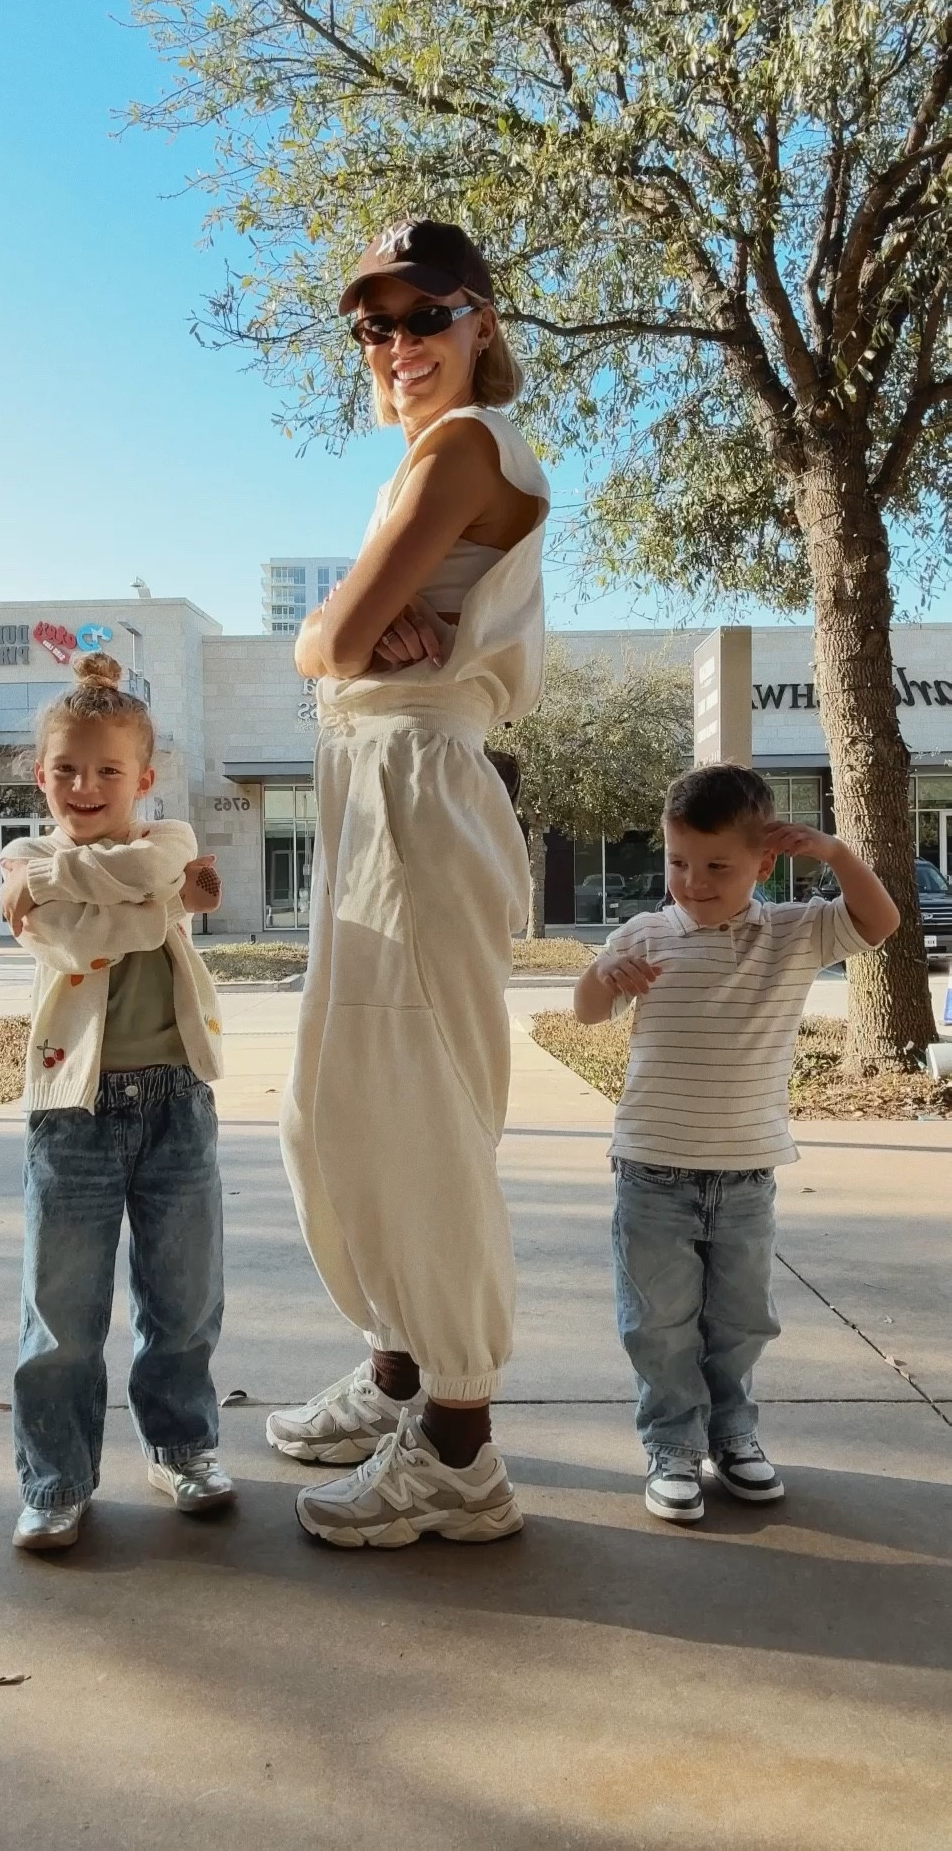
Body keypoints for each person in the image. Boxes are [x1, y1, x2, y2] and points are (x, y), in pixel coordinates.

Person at [266, 218, 550, 1548]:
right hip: (378, 789)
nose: (394, 345)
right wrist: (342, 637)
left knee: (415, 1113)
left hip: (416, 791)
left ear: (479, 321)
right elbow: (332, 645)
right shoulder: (424, 463)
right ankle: (400, 1375)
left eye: (421, 315)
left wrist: (340, 631)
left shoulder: (468, 447)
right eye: (371, 326)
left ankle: (457, 1449)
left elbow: (321, 641)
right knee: (343, 1109)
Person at [573, 763, 899, 1524]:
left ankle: (736, 1435)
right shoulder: (648, 933)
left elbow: (879, 923)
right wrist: (603, 973)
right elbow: (588, 1012)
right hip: (651, 1172)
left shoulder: (792, 933)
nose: (693, 881)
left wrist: (837, 853)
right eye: (679, 861)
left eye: (718, 866)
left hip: (748, 1175)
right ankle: (672, 1448)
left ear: (764, 862)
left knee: (742, 1320)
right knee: (658, 1323)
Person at [0, 652, 235, 1551]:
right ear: (41, 774)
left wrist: (85, 885)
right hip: (73, 1106)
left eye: (107, 771)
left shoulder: (161, 840)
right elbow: (73, 950)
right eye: (66, 769)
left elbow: (141, 888)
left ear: (145, 778)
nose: (84, 785)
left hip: (177, 1099)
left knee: (183, 1297)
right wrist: (159, 901)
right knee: (61, 1310)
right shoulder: (20, 852)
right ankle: (56, 1478)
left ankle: (184, 1445)